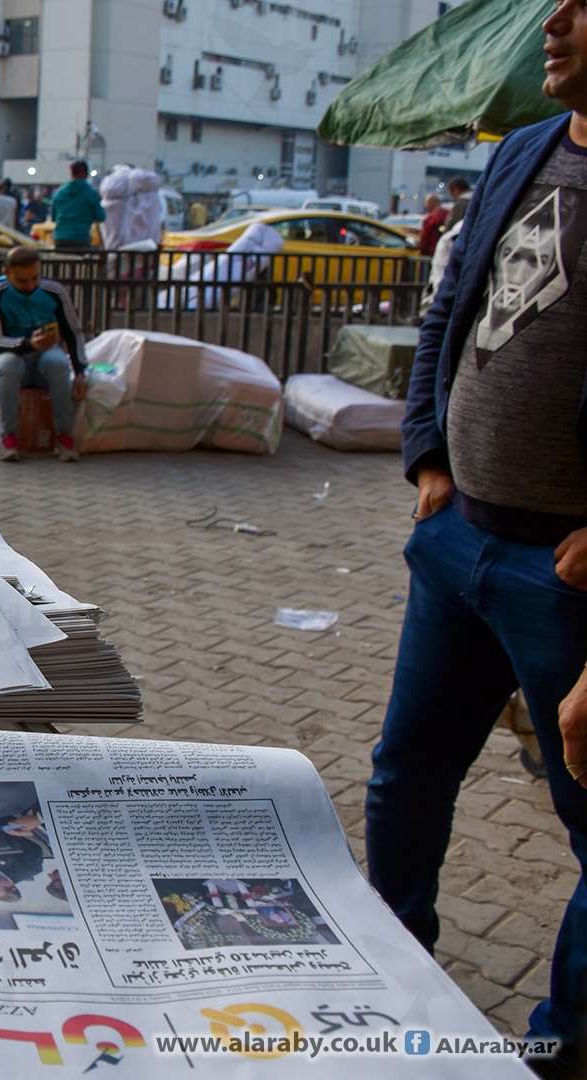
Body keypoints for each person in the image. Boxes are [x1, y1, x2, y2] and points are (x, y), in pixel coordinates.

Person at [366, 0, 587, 1070]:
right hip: (458, 542)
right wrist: (428, 459)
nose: (556, 19)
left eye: (585, 7)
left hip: (567, 576)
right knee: (406, 776)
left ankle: (565, 1039)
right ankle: (387, 966)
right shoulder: (530, 148)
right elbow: (450, 307)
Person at [0, 246, 87, 462]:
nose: (30, 285)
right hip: (11, 357)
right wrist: (29, 344)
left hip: (46, 358)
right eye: (22, 281)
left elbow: (74, 332)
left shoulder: (55, 291)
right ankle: (9, 436)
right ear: (7, 273)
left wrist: (80, 371)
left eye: (35, 278)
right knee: (8, 365)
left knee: (58, 363)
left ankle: (64, 435)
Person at [50, 161, 104, 251]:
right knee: (78, 263)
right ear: (86, 174)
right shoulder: (91, 193)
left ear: (71, 174)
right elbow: (101, 217)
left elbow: (54, 217)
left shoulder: (59, 193)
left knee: (61, 263)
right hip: (80, 238)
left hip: (59, 238)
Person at [417, 193, 448, 259]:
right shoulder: (448, 214)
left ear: (430, 203)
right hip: (447, 251)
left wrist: (423, 253)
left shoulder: (430, 218)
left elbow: (425, 237)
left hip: (432, 252)